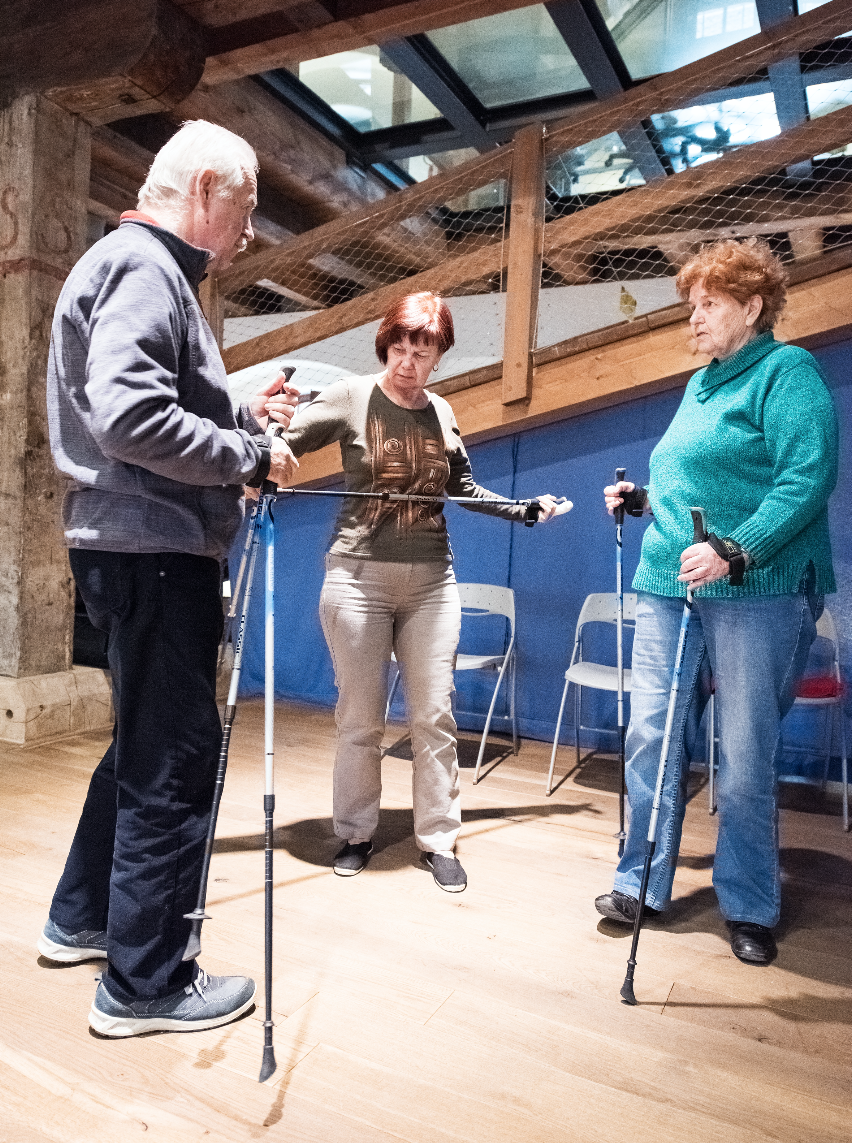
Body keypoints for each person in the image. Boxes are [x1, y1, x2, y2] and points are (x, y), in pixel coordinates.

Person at [40, 120, 300, 1036]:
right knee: (175, 763)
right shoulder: (146, 269)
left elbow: (146, 397)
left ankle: (83, 917)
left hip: (130, 546)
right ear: (203, 191)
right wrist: (247, 455)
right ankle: (144, 983)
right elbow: (129, 415)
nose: (251, 231)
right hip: (154, 550)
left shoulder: (132, 267)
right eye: (246, 207)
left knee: (143, 748)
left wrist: (235, 405)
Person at [595, 238, 838, 965]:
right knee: (652, 738)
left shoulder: (787, 372)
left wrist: (736, 549)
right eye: (691, 306)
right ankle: (640, 883)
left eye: (709, 304)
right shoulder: (701, 383)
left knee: (745, 751)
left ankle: (751, 902)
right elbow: (690, 480)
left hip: (755, 590)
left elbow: (806, 478)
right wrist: (643, 498)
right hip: (669, 586)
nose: (694, 318)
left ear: (753, 307)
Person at [272, 292, 563, 892]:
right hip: (357, 580)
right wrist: (267, 446)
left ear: (438, 356)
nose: (407, 362)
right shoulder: (352, 396)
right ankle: (355, 832)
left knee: (434, 717)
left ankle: (438, 839)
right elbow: (278, 446)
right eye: (399, 349)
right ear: (386, 345)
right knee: (361, 718)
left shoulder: (441, 411)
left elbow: (464, 488)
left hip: (432, 582)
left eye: (421, 353)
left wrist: (523, 509)